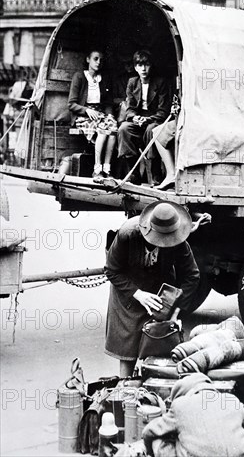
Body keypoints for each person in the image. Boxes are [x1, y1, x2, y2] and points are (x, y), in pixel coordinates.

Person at [104, 201, 200, 377]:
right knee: (127, 352)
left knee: (161, 351)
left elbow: (192, 276)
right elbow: (111, 270)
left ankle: (155, 394)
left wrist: (175, 311)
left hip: (160, 296)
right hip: (129, 296)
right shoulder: (128, 233)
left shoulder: (178, 238)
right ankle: (127, 389)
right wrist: (138, 294)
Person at [142, 372, 244, 457]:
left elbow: (150, 431)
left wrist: (149, 452)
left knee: (159, 438)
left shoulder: (180, 405)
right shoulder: (231, 399)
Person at [117, 50, 172, 184]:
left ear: (150, 66)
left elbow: (163, 111)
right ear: (135, 67)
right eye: (140, 65)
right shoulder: (132, 82)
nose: (143, 68)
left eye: (146, 64)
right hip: (138, 120)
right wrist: (134, 118)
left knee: (152, 131)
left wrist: (147, 120)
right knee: (124, 129)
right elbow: (129, 108)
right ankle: (134, 174)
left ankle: (155, 174)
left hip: (154, 120)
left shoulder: (160, 82)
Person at [68, 50, 117, 182]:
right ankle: (97, 170)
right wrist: (87, 111)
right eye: (95, 59)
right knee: (102, 131)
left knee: (112, 129)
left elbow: (107, 103)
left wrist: (110, 116)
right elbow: (71, 104)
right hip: (84, 116)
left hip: (100, 115)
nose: (99, 62)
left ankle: (107, 169)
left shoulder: (104, 78)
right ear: (88, 59)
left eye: (101, 60)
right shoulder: (79, 77)